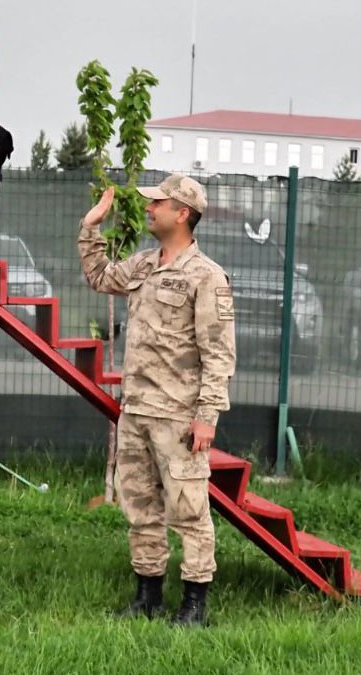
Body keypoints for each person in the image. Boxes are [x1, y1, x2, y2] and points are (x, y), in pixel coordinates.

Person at [77, 174, 236, 627]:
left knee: (190, 512)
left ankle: (194, 606)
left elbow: (219, 353)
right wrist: (91, 227)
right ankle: (148, 597)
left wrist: (207, 416)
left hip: (178, 417)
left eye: (158, 203)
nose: (149, 208)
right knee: (141, 508)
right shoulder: (145, 265)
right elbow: (99, 276)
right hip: (137, 412)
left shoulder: (206, 276)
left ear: (182, 213)